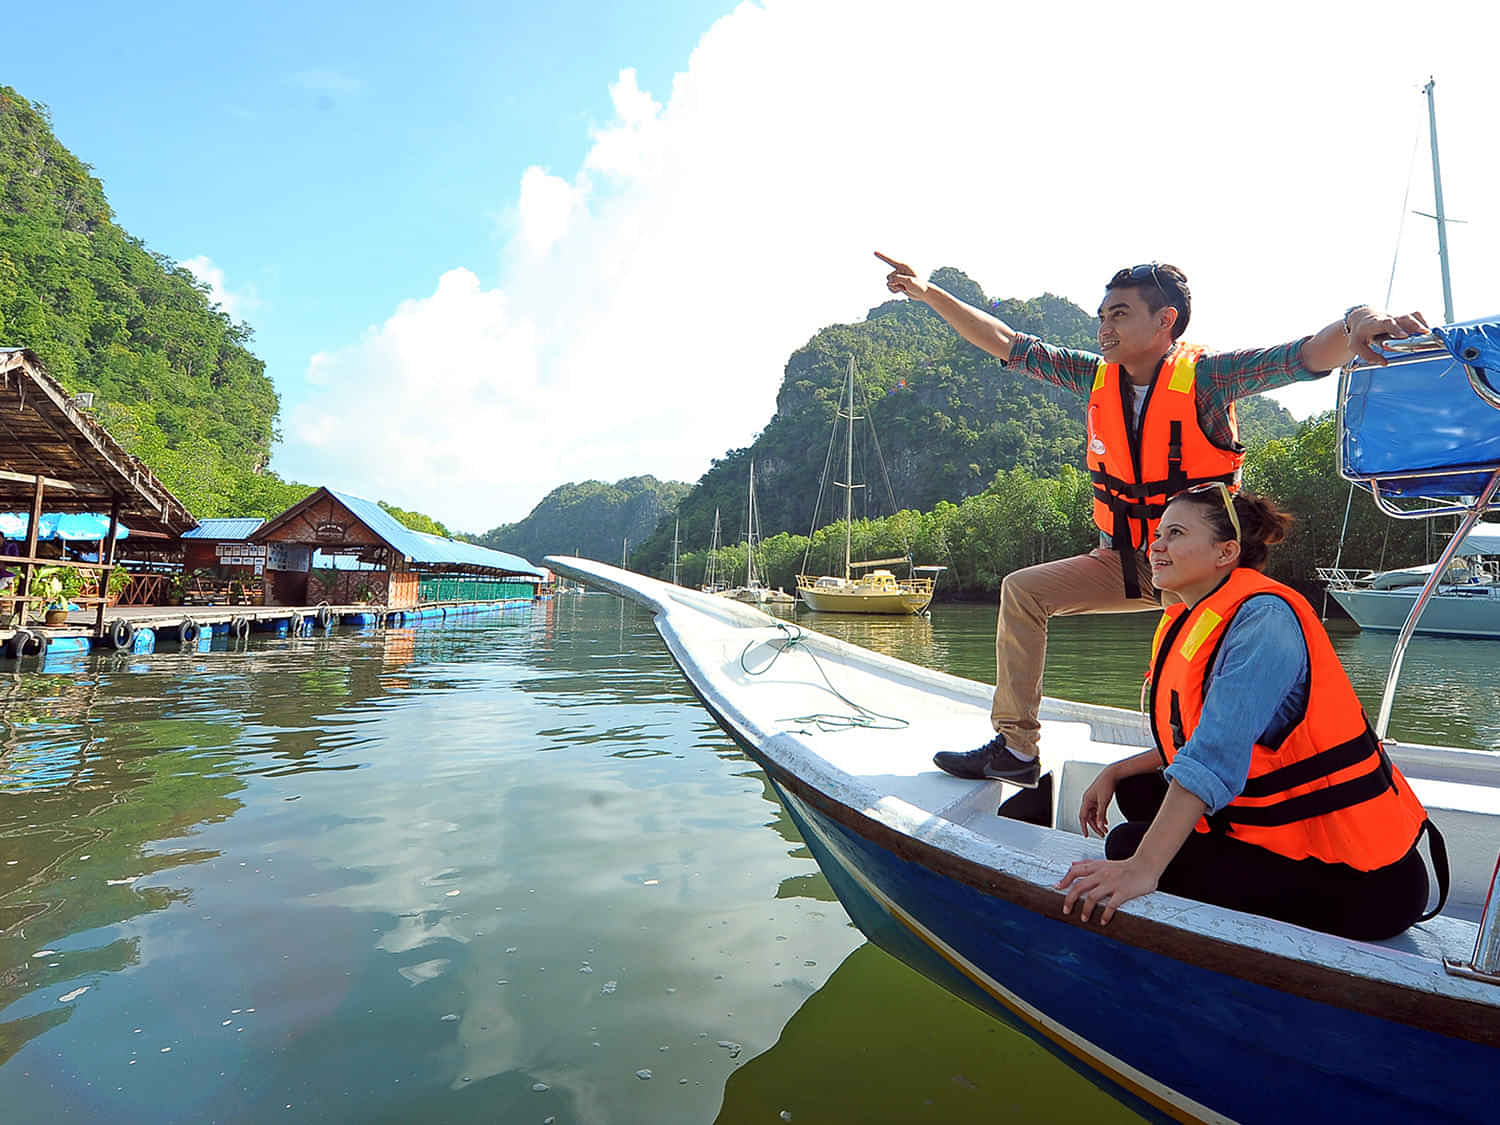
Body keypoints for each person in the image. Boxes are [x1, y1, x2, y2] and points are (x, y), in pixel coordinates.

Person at [874, 251, 1430, 788]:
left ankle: (1213, 767)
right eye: (1102, 316)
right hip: (1125, 561)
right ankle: (1017, 748)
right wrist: (927, 293)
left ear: (1166, 322)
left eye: (1119, 314)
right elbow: (1006, 342)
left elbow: (1306, 354)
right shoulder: (1094, 377)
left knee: (1189, 664)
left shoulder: (1210, 378)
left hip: (1199, 574)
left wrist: (1358, 322)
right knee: (1022, 591)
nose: (1103, 327)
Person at [1054, 485, 1444, 940]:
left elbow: (1213, 756)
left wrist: (1141, 869)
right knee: (1138, 790)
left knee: (1127, 846)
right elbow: (1199, 737)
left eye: (1175, 534)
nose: (1155, 545)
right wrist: (1119, 768)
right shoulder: (1197, 614)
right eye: (1158, 533)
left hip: (1369, 883)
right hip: (1297, 833)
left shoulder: (1264, 623)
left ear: (1227, 552)